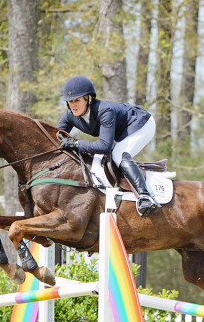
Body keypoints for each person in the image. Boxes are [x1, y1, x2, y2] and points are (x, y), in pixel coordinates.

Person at [57, 76, 160, 218]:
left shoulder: (105, 110)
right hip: (122, 131)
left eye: (77, 100)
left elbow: (105, 146)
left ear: (89, 99)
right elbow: (56, 137)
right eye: (70, 101)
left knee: (118, 155)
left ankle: (145, 196)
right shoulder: (70, 115)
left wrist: (76, 144)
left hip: (142, 124)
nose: (73, 105)